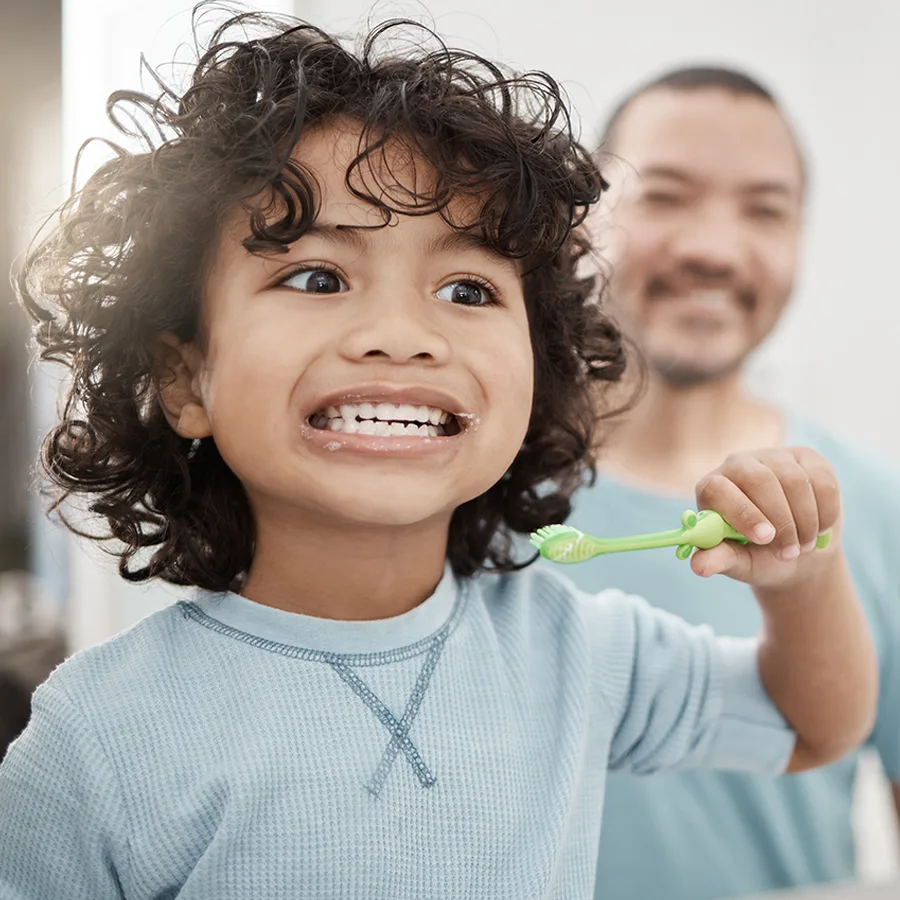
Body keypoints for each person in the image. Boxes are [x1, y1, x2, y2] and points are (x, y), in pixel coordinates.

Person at [0, 13, 878, 898]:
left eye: (467, 289)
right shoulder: (95, 740)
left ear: (539, 369)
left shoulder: (577, 651)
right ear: (186, 377)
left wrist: (798, 581)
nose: (400, 336)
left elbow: (811, 726)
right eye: (317, 277)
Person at [562, 66, 900, 900]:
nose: (713, 248)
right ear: (583, 221)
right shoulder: (458, 488)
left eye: (764, 210)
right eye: (666, 195)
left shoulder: (880, 510)